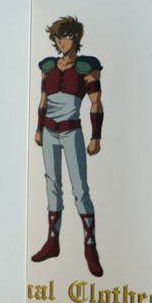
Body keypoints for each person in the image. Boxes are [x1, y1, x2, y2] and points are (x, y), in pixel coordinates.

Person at [31, 16, 104, 276]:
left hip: (72, 131)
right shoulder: (48, 67)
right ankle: (53, 241)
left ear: (76, 38)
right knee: (51, 184)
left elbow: (96, 102)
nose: (62, 42)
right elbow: (43, 100)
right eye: (58, 37)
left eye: (67, 37)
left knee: (80, 188)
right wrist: (39, 128)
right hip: (49, 131)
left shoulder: (86, 67)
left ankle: (90, 247)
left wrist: (96, 136)